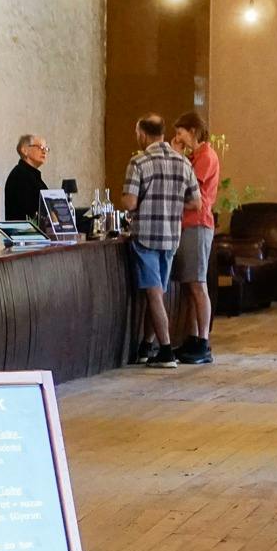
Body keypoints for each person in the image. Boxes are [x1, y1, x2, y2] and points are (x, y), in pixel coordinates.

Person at [119, 114, 200, 369]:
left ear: (142, 134)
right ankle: (146, 346)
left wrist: (135, 202)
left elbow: (130, 202)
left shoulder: (139, 162)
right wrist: (172, 203)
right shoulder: (183, 162)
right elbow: (196, 203)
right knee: (156, 291)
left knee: (153, 294)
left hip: (146, 236)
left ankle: (165, 351)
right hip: (171, 237)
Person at [169, 112, 220, 365]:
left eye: (180, 132)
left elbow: (189, 190)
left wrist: (177, 157)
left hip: (198, 224)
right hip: (185, 225)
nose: (177, 138)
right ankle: (191, 337)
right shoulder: (192, 157)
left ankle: (203, 340)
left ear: (193, 130)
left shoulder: (206, 157)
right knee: (189, 285)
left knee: (198, 284)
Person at [3, 134, 49, 225]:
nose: (44, 151)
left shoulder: (32, 175)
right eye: (40, 147)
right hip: (26, 235)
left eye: (46, 148)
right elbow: (33, 210)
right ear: (24, 150)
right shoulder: (19, 176)